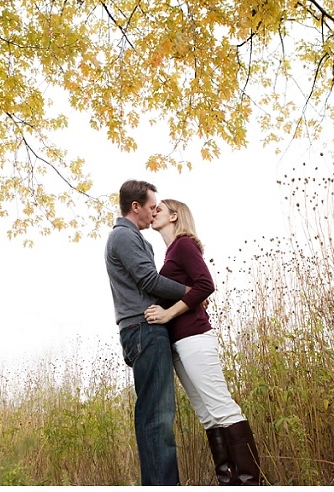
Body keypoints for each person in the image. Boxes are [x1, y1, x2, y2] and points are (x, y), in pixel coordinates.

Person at [144, 198, 263, 486]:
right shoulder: (170, 254)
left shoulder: (184, 244)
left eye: (159, 209)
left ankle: (250, 483)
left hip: (195, 337)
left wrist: (168, 313)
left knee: (222, 408)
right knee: (208, 416)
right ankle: (228, 481)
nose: (153, 212)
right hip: (177, 343)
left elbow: (206, 284)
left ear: (174, 216)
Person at [104, 180, 191, 486]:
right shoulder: (123, 236)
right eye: (152, 207)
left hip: (145, 330)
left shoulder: (136, 240)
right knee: (157, 417)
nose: (154, 212)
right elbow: (149, 281)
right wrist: (191, 292)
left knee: (156, 415)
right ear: (135, 206)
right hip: (144, 330)